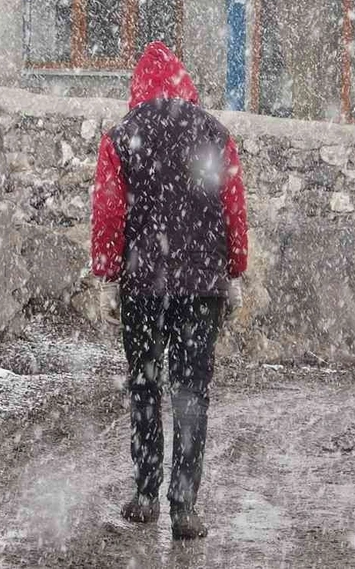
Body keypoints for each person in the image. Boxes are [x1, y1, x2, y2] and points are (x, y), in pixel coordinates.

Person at [90, 41, 248, 540]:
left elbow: (109, 212)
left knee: (144, 384)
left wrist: (105, 273)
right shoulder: (215, 135)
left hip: (141, 285)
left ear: (138, 86)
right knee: (191, 392)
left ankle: (144, 493)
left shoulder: (121, 137)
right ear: (185, 83)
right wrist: (235, 269)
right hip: (202, 287)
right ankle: (184, 504)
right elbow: (234, 209)